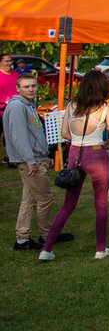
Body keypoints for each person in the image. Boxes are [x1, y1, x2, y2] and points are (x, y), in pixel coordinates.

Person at [40, 70, 109, 261]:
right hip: (96, 153)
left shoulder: (71, 106)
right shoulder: (105, 108)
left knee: (68, 204)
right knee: (100, 204)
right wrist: (107, 145)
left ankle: (46, 248)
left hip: (76, 153)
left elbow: (65, 134)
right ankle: (100, 249)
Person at [5, 73, 62, 251]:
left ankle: (22, 238)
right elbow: (19, 137)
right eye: (26, 86)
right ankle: (47, 235)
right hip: (30, 161)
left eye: (33, 86)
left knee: (28, 199)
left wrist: (44, 155)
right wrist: (31, 161)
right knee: (45, 198)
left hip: (37, 158)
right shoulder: (17, 107)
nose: (31, 89)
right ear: (18, 88)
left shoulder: (28, 105)